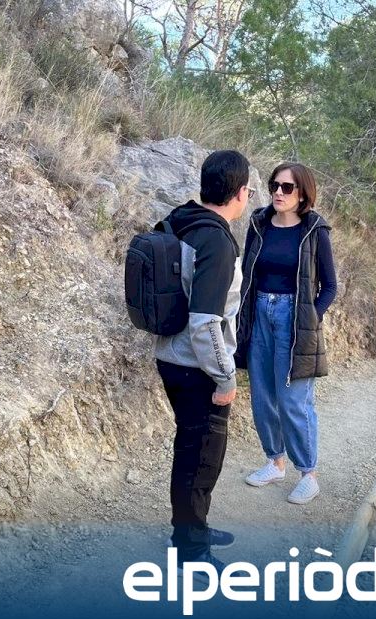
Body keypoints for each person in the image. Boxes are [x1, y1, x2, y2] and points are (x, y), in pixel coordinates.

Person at [154, 149, 253, 567]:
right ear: (241, 192)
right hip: (198, 368)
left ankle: (192, 529)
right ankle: (191, 550)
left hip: (169, 355)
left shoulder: (181, 219)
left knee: (191, 449)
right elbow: (205, 322)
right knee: (202, 457)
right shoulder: (216, 240)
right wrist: (225, 377)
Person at [234, 162, 337, 505]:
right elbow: (247, 274)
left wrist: (310, 317)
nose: (278, 192)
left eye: (287, 187)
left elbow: (330, 287)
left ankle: (308, 474)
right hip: (259, 314)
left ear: (303, 194)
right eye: (274, 185)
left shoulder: (315, 230)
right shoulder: (259, 224)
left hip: (294, 319)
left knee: (293, 400)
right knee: (263, 395)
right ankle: (275, 462)